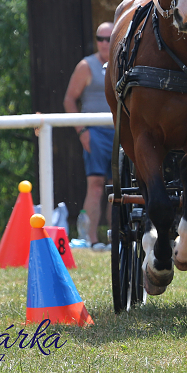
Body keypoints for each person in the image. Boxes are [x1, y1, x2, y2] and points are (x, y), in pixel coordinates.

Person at [63, 22, 114, 250]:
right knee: (95, 184)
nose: (104, 43)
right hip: (95, 132)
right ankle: (89, 239)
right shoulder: (86, 65)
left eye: (109, 38)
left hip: (121, 132)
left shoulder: (122, 63)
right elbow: (69, 100)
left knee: (121, 187)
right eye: (100, 38)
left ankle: (118, 239)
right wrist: (82, 131)